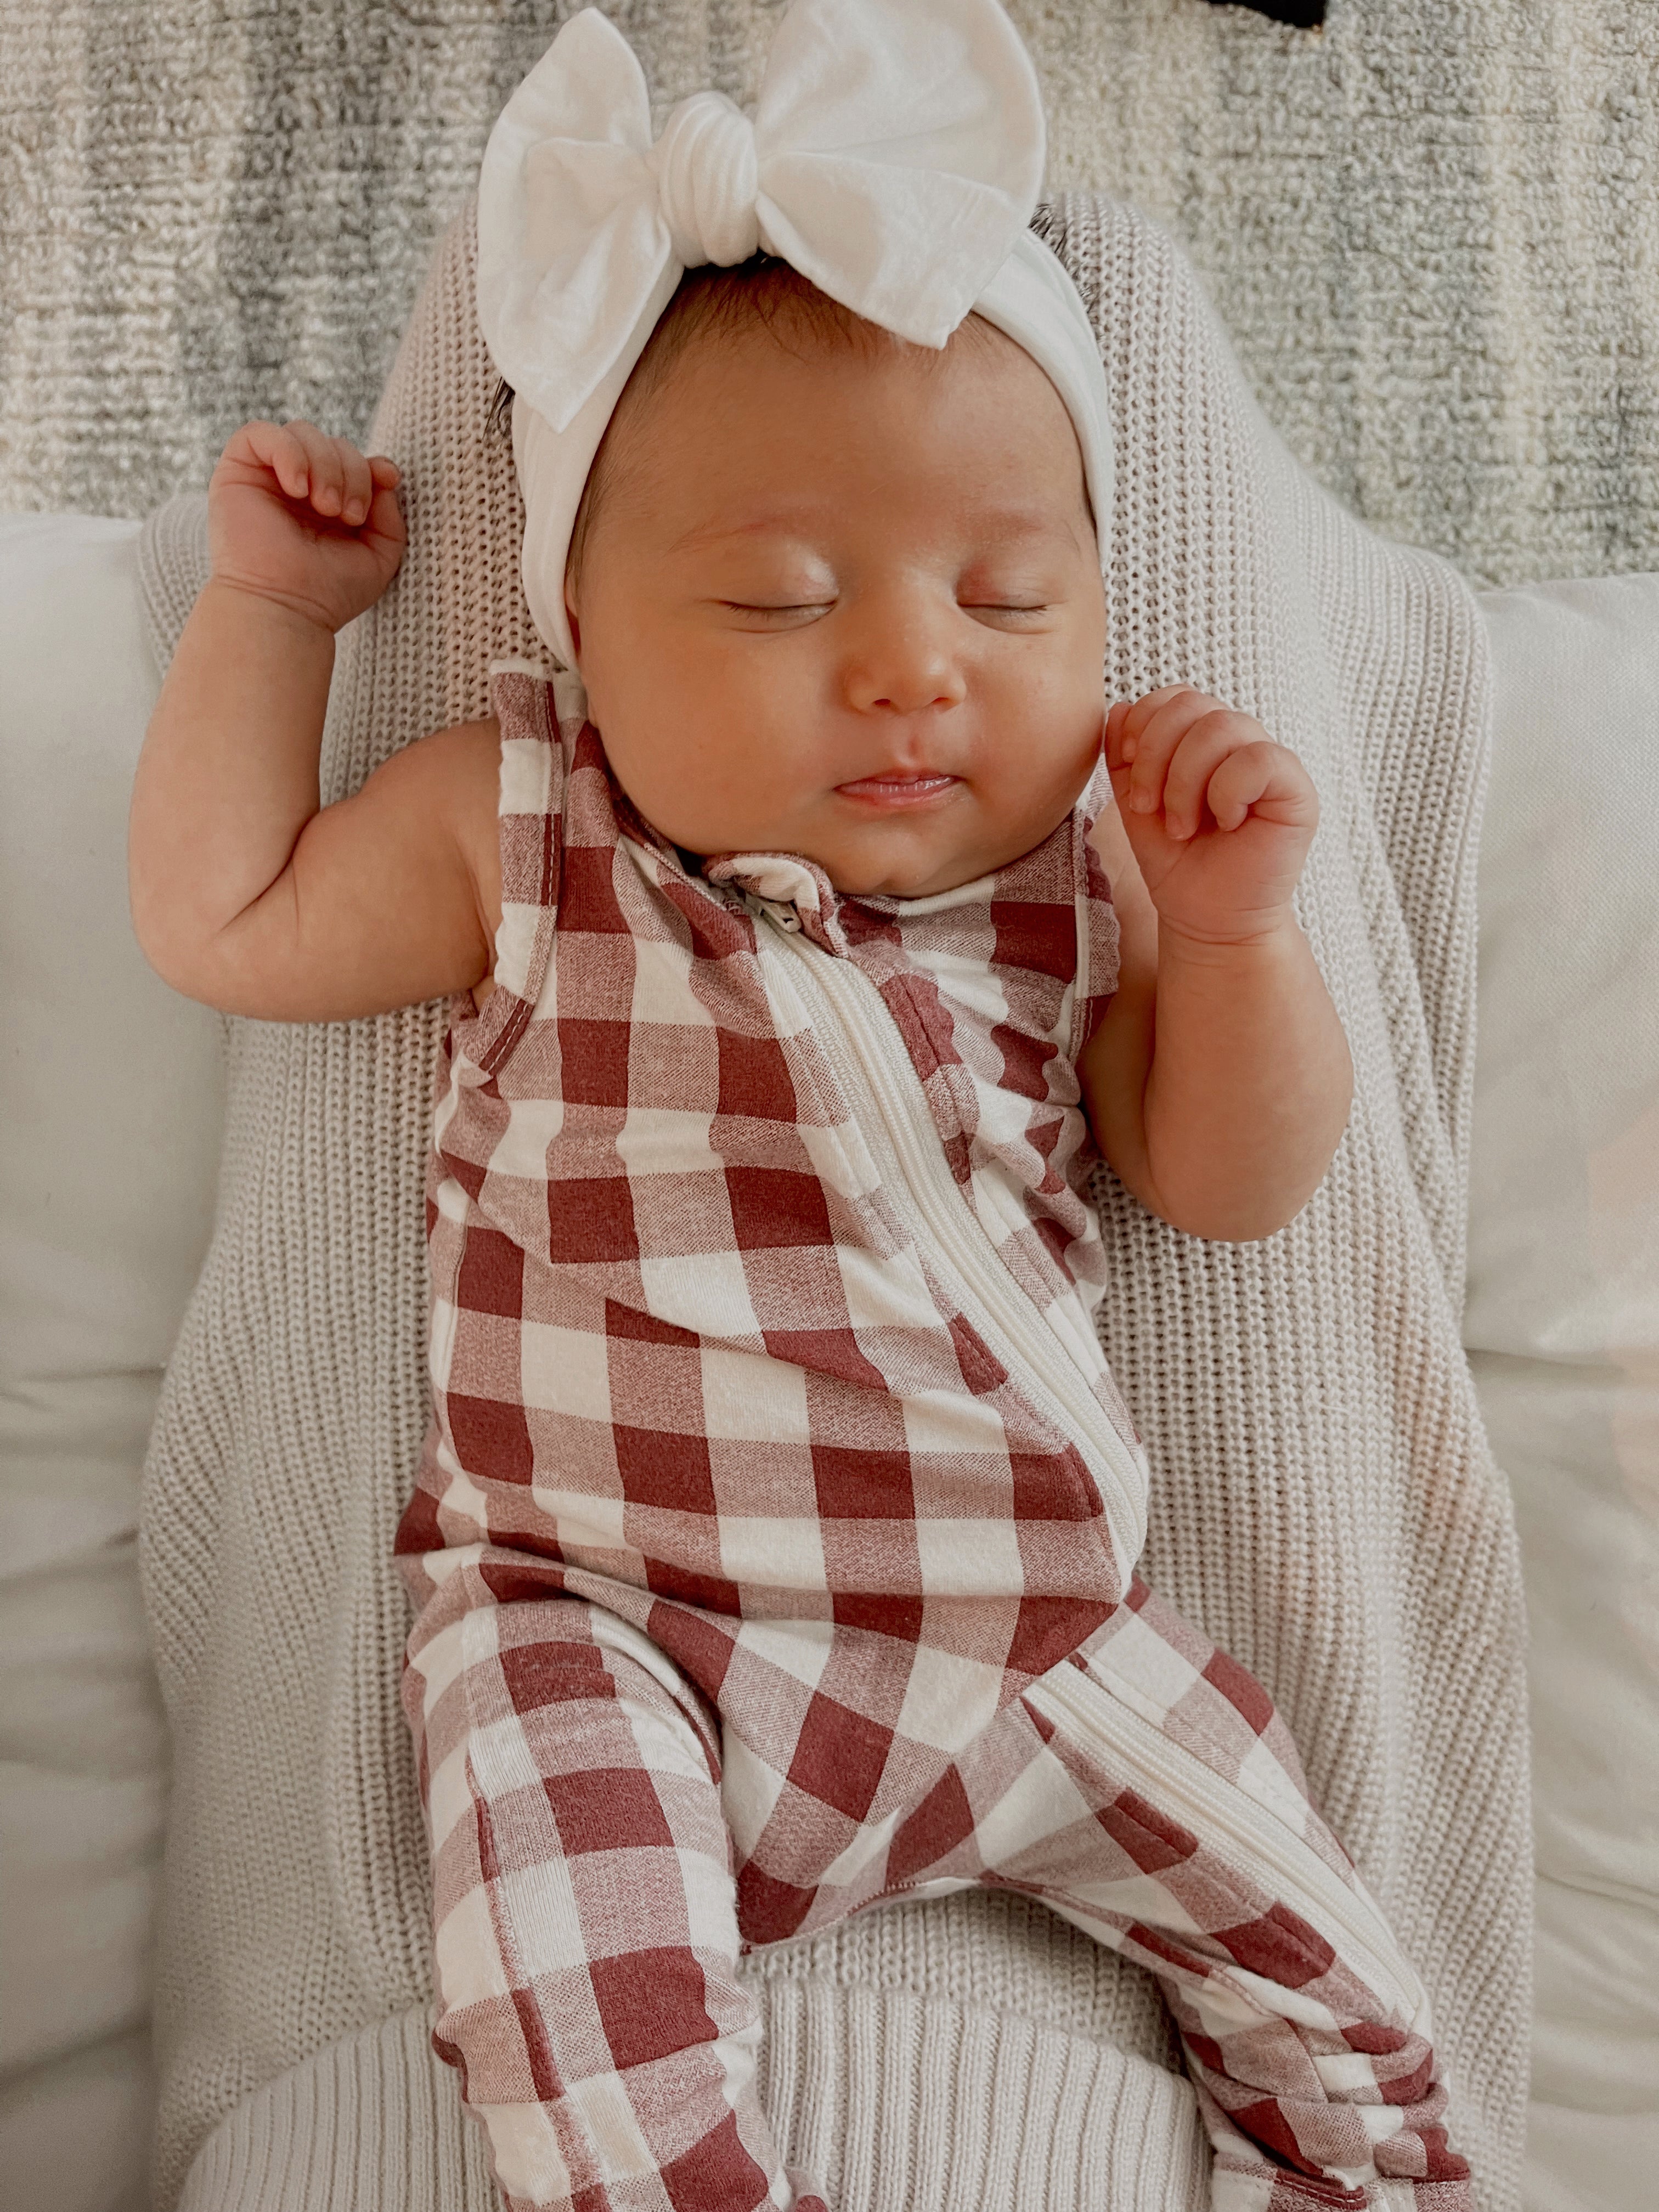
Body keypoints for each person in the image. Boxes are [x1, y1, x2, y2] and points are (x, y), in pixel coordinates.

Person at [127, 4, 1475, 2208]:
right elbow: (230, 914)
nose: (913, 665)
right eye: (778, 598)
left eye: (1013, 594)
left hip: (1031, 1639)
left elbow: (1226, 1188)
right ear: (579, 621)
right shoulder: (532, 820)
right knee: (567, 2001)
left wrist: (1235, 938)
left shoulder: (1074, 889)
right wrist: (276, 616)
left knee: (1343, 1977)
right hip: (606, 1618)